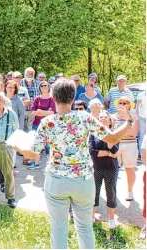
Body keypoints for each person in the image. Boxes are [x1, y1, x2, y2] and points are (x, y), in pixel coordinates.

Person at [15, 78, 134, 249]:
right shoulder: (84, 118)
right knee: (85, 228)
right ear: (72, 98)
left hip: (56, 180)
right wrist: (129, 122)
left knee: (58, 229)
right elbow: (114, 137)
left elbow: (32, 153)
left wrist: (16, 145)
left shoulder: (47, 122)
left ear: (53, 99)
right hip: (83, 181)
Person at [89, 110, 119, 229]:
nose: (102, 119)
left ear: (110, 120)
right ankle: (92, 216)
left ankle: (112, 219)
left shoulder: (114, 134)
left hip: (110, 168)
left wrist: (109, 141)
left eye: (105, 117)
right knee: (94, 193)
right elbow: (92, 151)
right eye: (100, 117)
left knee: (111, 193)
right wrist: (107, 153)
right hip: (96, 168)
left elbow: (115, 152)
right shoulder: (93, 134)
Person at [112, 96, 139, 201]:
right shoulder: (113, 117)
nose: (122, 105)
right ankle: (113, 193)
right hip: (116, 145)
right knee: (113, 169)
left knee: (130, 168)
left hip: (130, 145)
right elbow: (112, 133)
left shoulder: (133, 117)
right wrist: (125, 132)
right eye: (120, 103)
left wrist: (119, 132)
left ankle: (130, 191)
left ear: (129, 105)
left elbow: (133, 133)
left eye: (125, 103)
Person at [20, 67, 40, 133]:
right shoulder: (20, 83)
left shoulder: (38, 84)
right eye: (28, 74)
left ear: (34, 75)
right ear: (24, 74)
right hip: (22, 110)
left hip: (34, 111)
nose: (29, 75)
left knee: (32, 130)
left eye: (31, 74)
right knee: (22, 130)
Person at [136, 90, 145, 160]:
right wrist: (137, 117)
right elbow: (137, 107)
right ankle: (141, 154)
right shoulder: (141, 94)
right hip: (142, 117)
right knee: (141, 136)